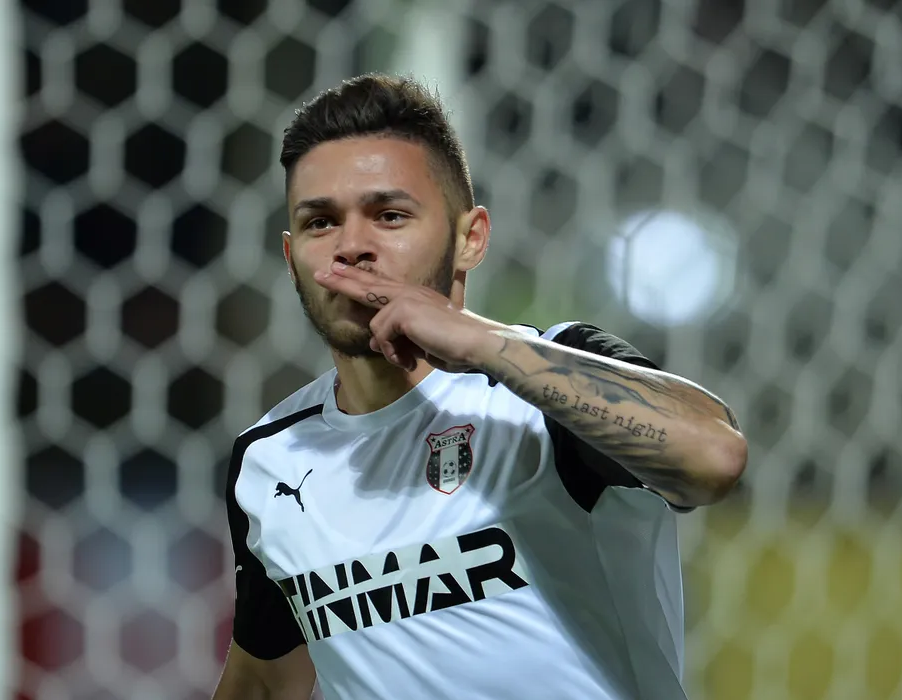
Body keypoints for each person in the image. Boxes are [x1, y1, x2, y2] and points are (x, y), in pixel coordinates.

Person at [212, 74, 748, 700]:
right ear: (291, 257)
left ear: (470, 239)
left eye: (389, 216)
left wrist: (479, 342)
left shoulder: (550, 385)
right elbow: (263, 679)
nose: (351, 247)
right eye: (320, 223)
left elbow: (715, 458)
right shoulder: (271, 459)